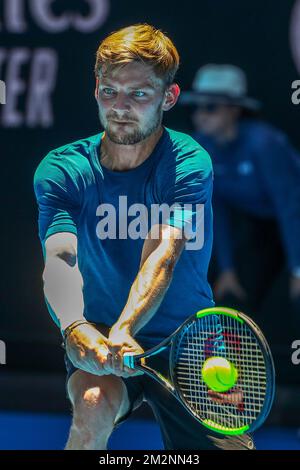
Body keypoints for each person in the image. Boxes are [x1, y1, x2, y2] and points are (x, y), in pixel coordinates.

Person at [33, 25, 254, 450]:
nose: (120, 107)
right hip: (100, 332)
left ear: (168, 98)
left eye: (138, 94)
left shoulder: (188, 162)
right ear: (96, 90)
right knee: (93, 403)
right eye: (110, 91)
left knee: (227, 448)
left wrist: (128, 326)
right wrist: (73, 325)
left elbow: (163, 253)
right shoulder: (61, 170)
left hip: (185, 337)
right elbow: (60, 257)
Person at [180, 64, 300, 330]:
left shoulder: (265, 143)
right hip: (259, 225)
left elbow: (290, 207)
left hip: (293, 218)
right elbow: (216, 210)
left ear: (234, 109)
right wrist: (228, 268)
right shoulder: (202, 149)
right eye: (196, 108)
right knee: (237, 291)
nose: (200, 116)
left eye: (210, 107)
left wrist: (297, 268)